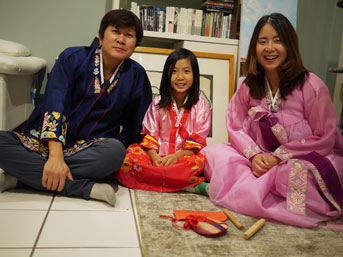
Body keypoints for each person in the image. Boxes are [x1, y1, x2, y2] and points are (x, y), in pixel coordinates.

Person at [201, 13, 343, 228]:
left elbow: (325, 137)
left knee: (294, 174)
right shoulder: (248, 85)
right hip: (260, 155)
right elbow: (235, 125)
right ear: (254, 47)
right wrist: (254, 155)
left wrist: (280, 157)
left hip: (303, 157)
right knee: (213, 154)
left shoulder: (312, 86)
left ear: (290, 45)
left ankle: (262, 194)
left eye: (277, 41)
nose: (270, 48)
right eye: (262, 41)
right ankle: (261, 189)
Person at [0, 9, 152, 206]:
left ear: (135, 45)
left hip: (89, 150)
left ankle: (23, 178)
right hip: (45, 145)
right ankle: (82, 187)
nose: (121, 39)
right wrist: (55, 156)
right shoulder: (71, 58)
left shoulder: (137, 75)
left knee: (115, 151)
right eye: (115, 31)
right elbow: (55, 103)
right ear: (101, 36)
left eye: (129, 35)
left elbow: (135, 126)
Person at [114, 48, 211, 193]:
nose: (180, 77)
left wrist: (177, 156)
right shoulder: (158, 103)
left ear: (195, 75)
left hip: (183, 158)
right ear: (166, 75)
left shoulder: (201, 105)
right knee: (129, 157)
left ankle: (163, 179)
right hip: (157, 158)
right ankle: (187, 184)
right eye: (174, 71)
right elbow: (149, 134)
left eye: (186, 71)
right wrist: (154, 157)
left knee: (201, 161)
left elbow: (198, 139)